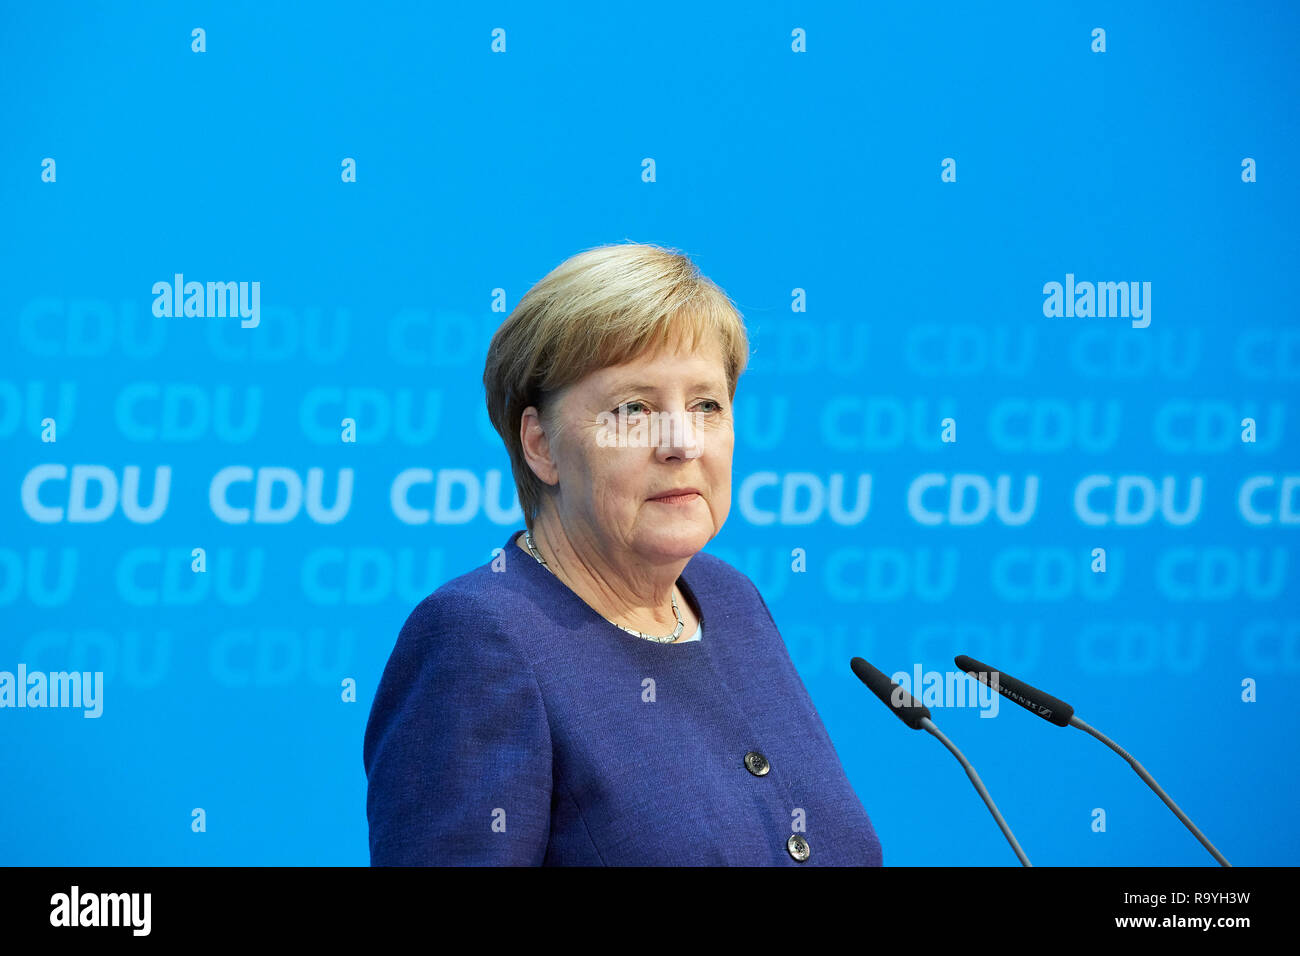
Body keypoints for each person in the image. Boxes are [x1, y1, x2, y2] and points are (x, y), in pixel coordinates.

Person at [363, 241, 883, 865]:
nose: (681, 442)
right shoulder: (479, 639)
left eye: (706, 405)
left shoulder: (730, 599)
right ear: (541, 446)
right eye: (633, 409)